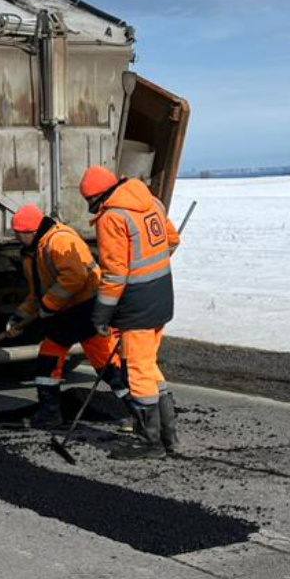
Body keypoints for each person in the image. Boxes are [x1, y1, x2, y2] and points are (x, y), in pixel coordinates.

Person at [80, 165, 181, 459]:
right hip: (162, 295)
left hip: (137, 304)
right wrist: (151, 265)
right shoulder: (151, 201)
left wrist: (101, 315)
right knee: (148, 365)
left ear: (95, 198)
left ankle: (149, 443)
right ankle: (169, 438)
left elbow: (114, 275)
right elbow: (172, 240)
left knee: (137, 370)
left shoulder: (112, 217)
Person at [7, 204, 129, 428]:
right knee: (84, 358)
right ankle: (139, 412)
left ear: (31, 232)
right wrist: (19, 317)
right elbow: (38, 294)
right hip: (71, 310)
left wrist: (50, 305)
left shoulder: (58, 241)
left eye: (18, 233)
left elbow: (75, 278)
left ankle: (138, 413)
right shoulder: (33, 252)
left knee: (71, 355)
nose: (15, 237)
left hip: (87, 307)